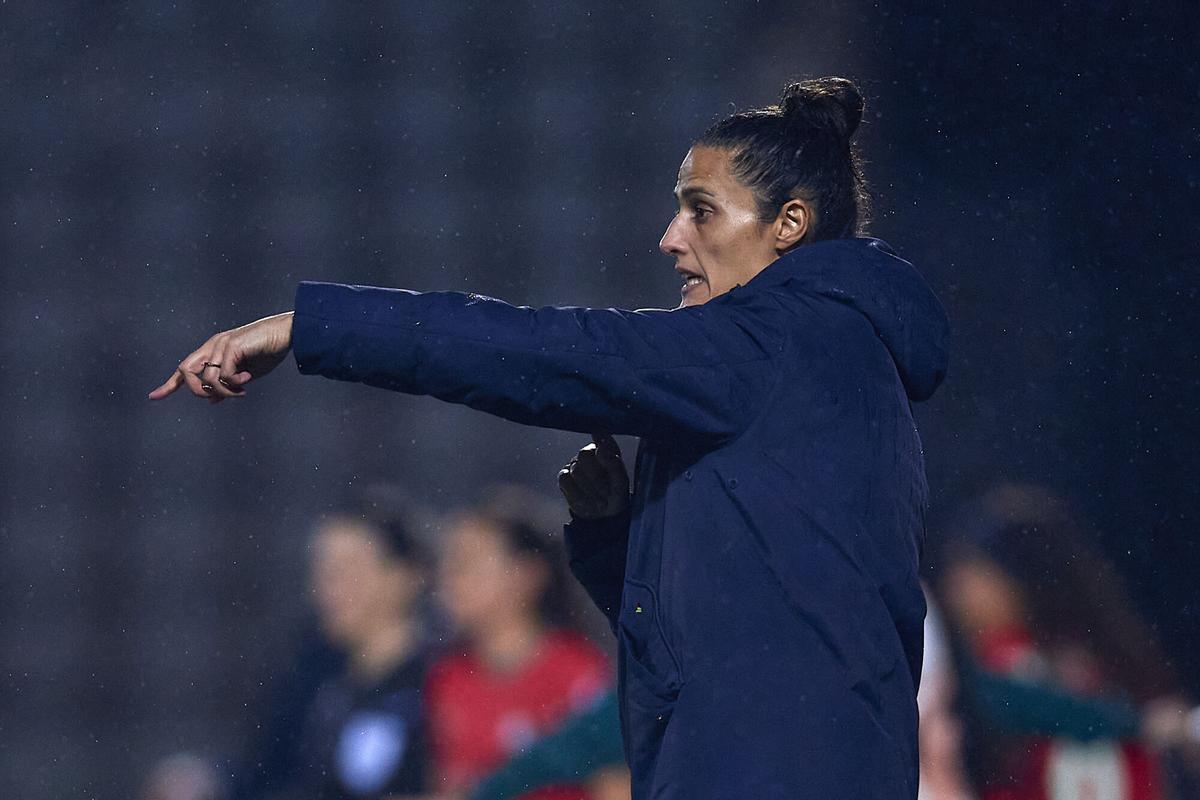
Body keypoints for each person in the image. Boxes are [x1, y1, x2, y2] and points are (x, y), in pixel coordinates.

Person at [149, 76, 950, 798]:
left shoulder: (776, 344)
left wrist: (311, 327)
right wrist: (611, 537)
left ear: (789, 224)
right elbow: (714, 636)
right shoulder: (832, 367)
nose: (670, 237)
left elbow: (539, 351)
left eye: (700, 209)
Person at [933, 483, 1194, 800]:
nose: (955, 593)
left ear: (1018, 580)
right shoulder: (1105, 667)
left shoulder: (1012, 658)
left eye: (971, 576)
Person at [425, 499, 613, 800]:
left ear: (526, 574)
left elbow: (613, 782)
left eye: (464, 563)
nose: (448, 579)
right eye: (445, 565)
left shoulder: (575, 669)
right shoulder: (447, 677)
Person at [293, 510, 435, 799]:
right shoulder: (319, 684)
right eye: (322, 569)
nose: (327, 586)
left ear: (405, 576)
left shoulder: (440, 685)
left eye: (348, 567)